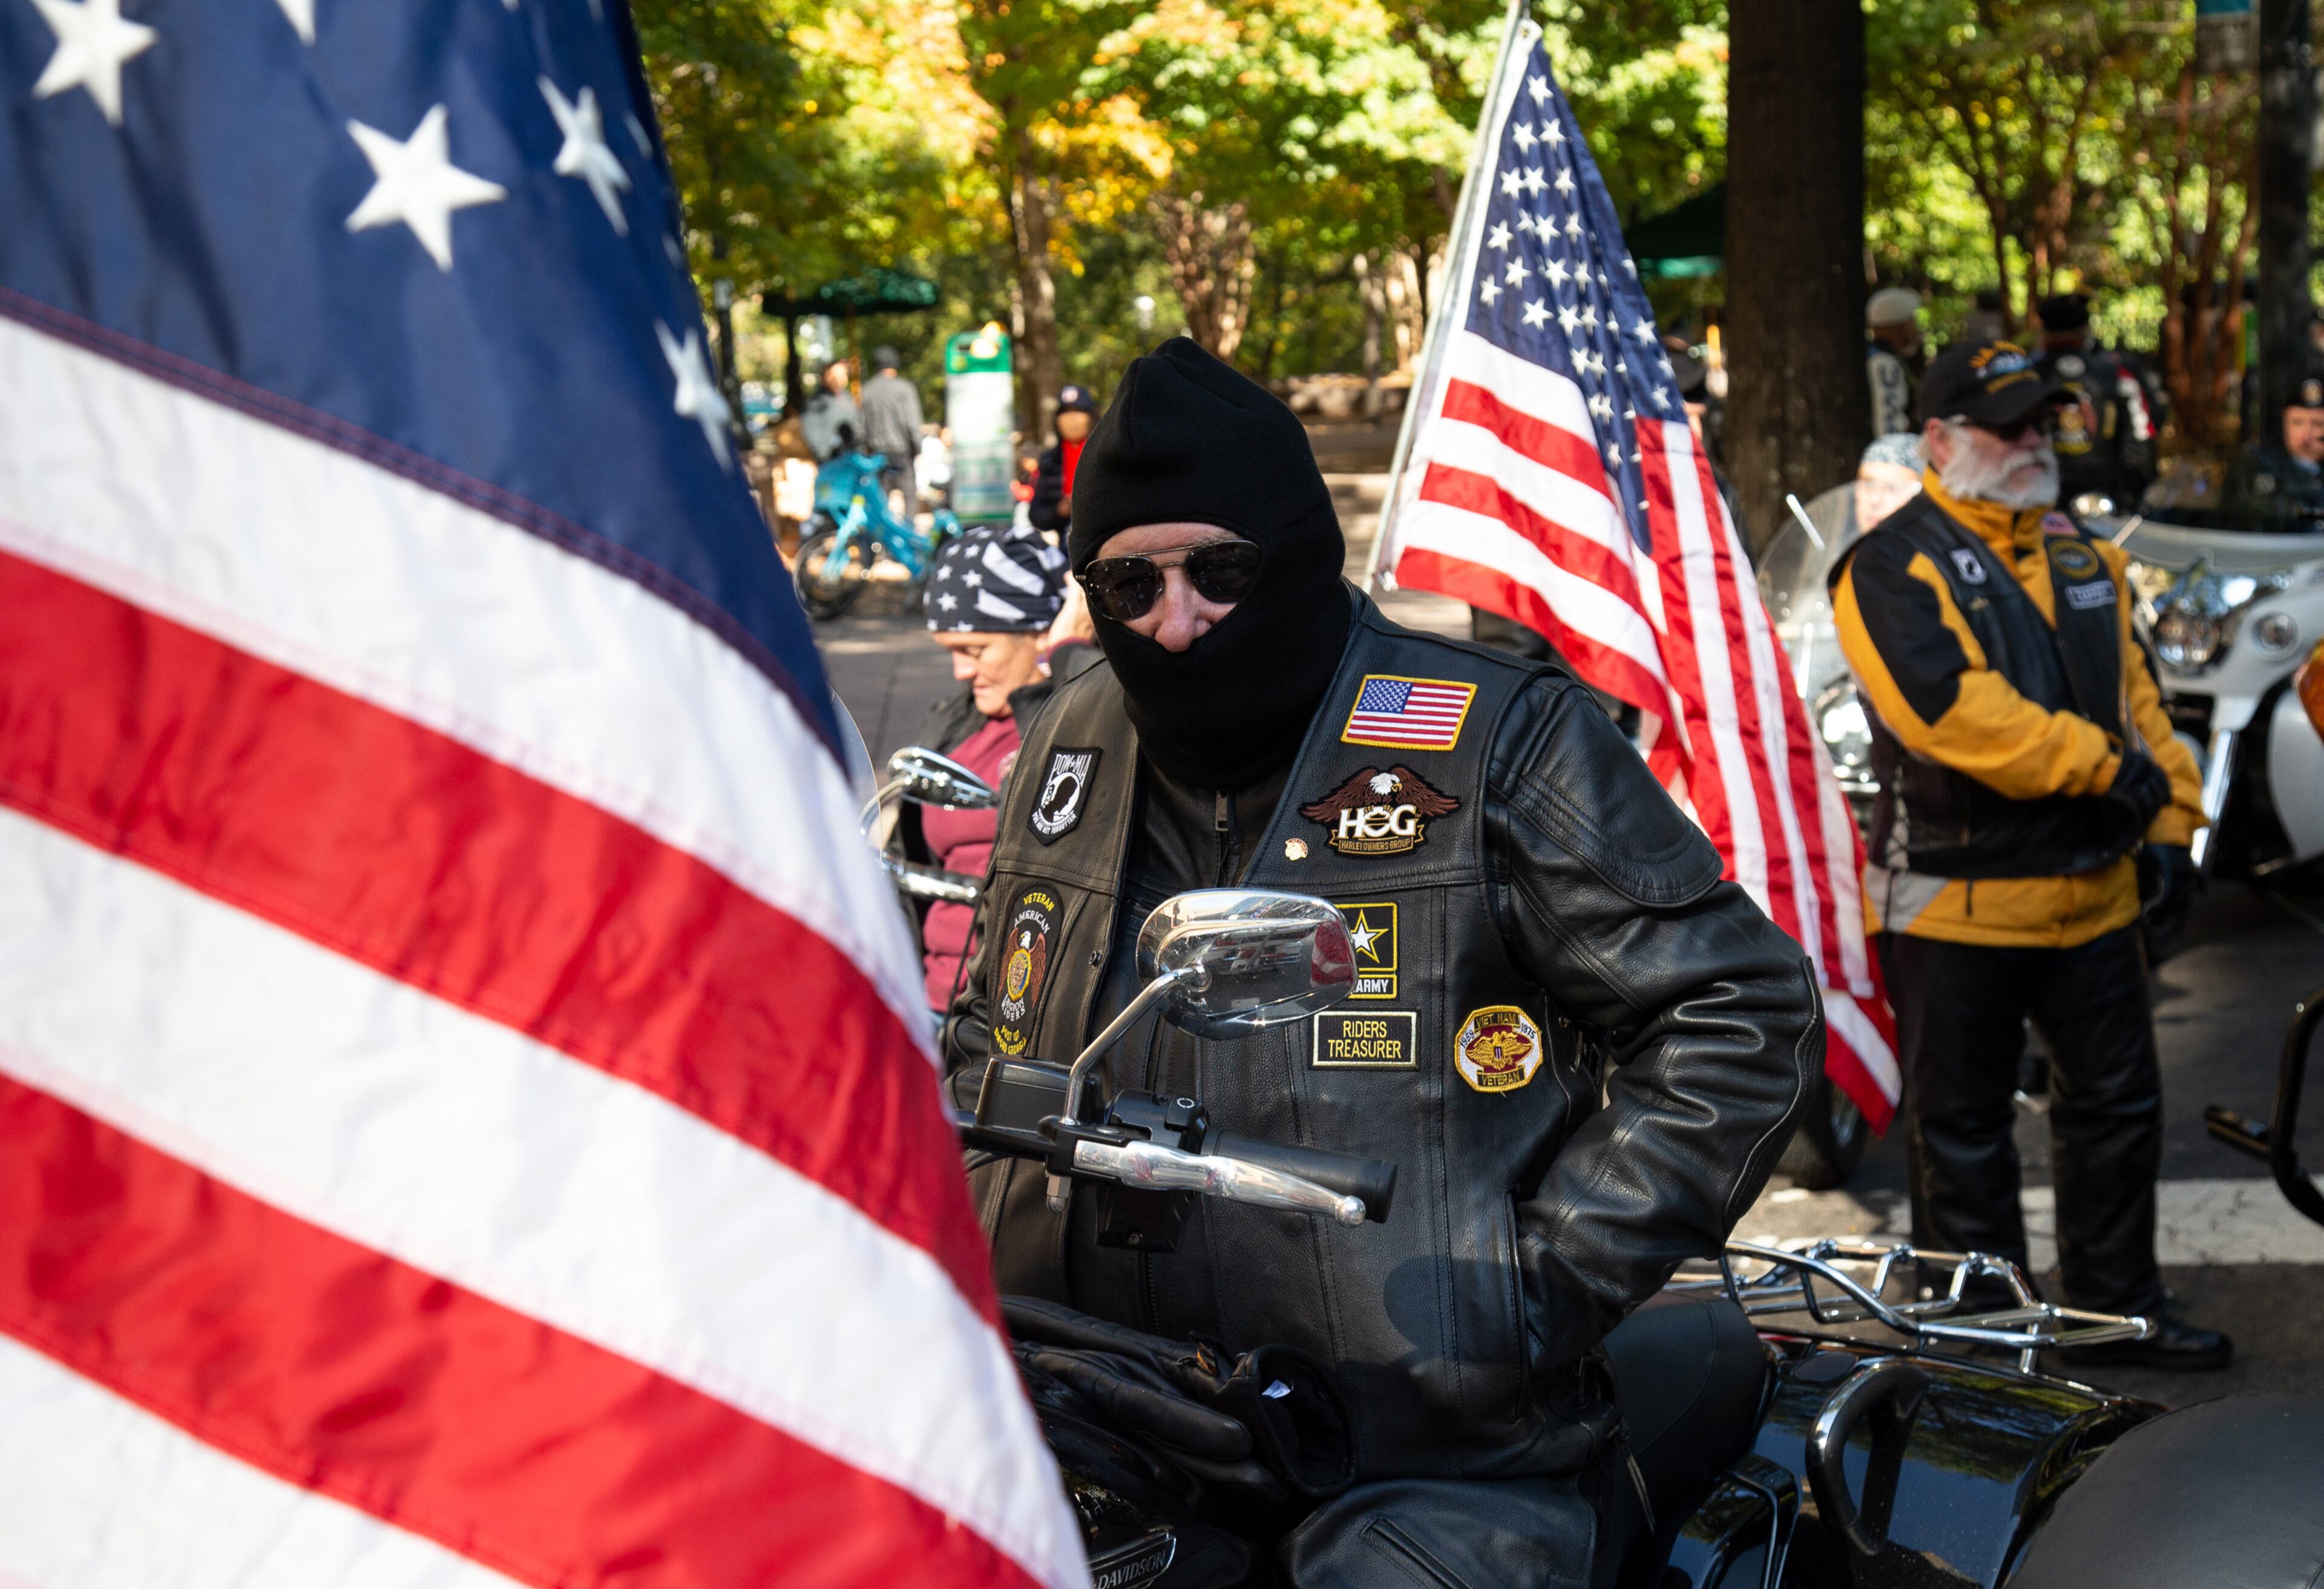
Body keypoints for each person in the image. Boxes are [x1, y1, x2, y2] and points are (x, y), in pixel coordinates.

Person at [946, 338, 1819, 1585]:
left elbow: (1738, 1011)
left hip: (1423, 1445)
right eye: (1129, 583)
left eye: (1220, 572)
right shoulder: (1069, 740)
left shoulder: (1491, 738)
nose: (1177, 622)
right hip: (1105, 1404)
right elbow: (994, 1025)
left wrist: (1526, 1287)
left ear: (1297, 557)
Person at [1828, 338, 2226, 1372]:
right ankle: (1985, 1345)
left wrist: (2178, 824)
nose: (2031, 443)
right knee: (1960, 1136)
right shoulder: (1888, 563)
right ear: (1943, 439)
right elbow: (1954, 714)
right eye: (2009, 427)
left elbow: (2144, 705)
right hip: (1954, 907)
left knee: (2118, 1114)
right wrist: (2101, 769)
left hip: (2092, 901)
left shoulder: (2089, 559)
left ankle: (2112, 1314)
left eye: (2041, 424)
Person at [895, 525, 1098, 1010]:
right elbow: (904, 866)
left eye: (977, 649)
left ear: (1039, 632)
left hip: (1015, 1010)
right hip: (931, 1000)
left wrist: (1066, 657)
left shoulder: (1085, 718)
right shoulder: (957, 719)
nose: (961, 671)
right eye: (951, 651)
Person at [2033, 293, 2155, 513]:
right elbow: (2141, 444)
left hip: (2040, 501)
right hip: (2106, 500)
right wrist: (2129, 498)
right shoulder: (2117, 372)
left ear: (2044, 332)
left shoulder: (2026, 374)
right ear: (2085, 331)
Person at [2221, 366, 2324, 530]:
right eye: (2297, 423)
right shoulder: (2255, 474)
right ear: (2284, 425)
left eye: (2318, 424)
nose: (2306, 436)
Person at [859, 344, 926, 514]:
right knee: (910, 497)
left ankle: (881, 539)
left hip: (878, 455)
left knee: (881, 500)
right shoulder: (904, 389)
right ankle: (910, 535)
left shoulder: (866, 391)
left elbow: (861, 428)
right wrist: (918, 448)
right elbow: (912, 423)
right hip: (902, 453)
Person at [1027, 382, 1096, 536]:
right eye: (1066, 412)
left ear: (1091, 417)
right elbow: (1037, 515)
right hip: (1065, 544)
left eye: (1078, 411)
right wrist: (1059, 510)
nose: (1071, 418)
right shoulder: (1049, 461)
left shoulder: (1107, 454)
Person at [1867, 286, 1925, 436]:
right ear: (1898, 327)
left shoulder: (1886, 358)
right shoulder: (1884, 362)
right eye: (1911, 323)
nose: (1916, 329)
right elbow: (1889, 424)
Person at [1854, 430, 1925, 538]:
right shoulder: (1844, 553)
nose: (1875, 500)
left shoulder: (1931, 554)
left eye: (1894, 488)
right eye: (1869, 485)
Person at [798, 359, 859, 462]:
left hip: (850, 458)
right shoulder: (816, 403)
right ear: (825, 377)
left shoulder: (848, 400)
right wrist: (823, 454)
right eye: (834, 377)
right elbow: (811, 431)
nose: (838, 380)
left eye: (842, 376)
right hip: (828, 461)